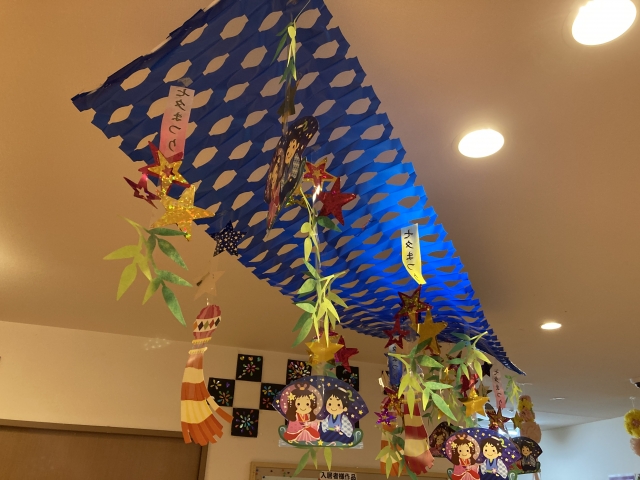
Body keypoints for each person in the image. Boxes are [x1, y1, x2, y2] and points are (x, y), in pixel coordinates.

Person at [266, 147, 284, 228]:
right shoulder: (270, 195)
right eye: (273, 172)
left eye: (276, 172)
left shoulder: (280, 190)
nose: (274, 175)